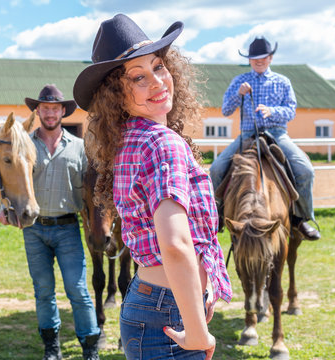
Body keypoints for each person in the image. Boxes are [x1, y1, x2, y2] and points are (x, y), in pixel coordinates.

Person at [73, 14, 232, 360]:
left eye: (159, 67)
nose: (158, 82)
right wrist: (196, 330)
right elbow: (174, 244)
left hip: (153, 303)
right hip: (169, 311)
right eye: (138, 77)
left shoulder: (130, 139)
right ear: (116, 94)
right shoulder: (163, 144)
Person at [209, 36, 320, 240]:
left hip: (277, 135)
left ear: (270, 58)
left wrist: (272, 111)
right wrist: (238, 95)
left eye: (263, 57)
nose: (258, 61)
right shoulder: (239, 81)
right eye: (254, 58)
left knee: (306, 170)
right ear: (249, 60)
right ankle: (216, 216)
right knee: (216, 168)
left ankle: (300, 218)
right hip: (247, 136)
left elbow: (291, 111)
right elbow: (226, 110)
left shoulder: (282, 81)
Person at [22, 84, 100, 359]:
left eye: (55, 108)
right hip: (34, 230)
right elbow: (12, 181)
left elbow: (90, 190)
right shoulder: (26, 145)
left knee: (77, 289)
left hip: (68, 228)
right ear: (38, 111)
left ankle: (90, 348)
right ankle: (51, 348)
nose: (50, 113)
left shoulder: (79, 147)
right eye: (45, 108)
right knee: (43, 291)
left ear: (63, 111)